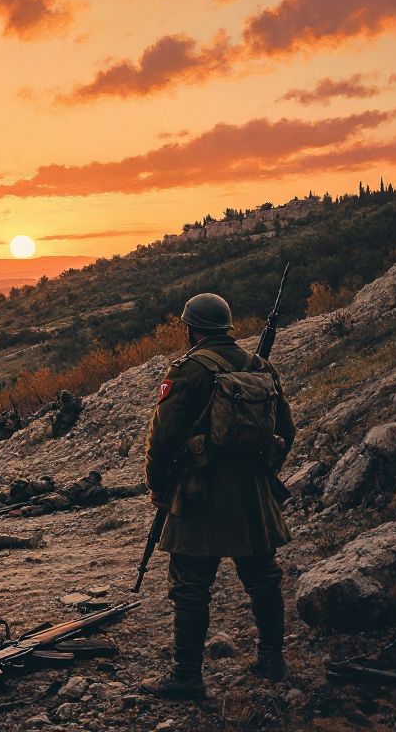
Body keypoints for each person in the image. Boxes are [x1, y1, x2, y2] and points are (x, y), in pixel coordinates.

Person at [140, 293, 295, 700]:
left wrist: (159, 491)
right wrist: (261, 474)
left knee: (191, 585)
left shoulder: (188, 371)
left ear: (191, 329)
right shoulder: (260, 367)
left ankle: (188, 677)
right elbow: (287, 433)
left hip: (199, 495)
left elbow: (161, 440)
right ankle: (273, 661)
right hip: (253, 495)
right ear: (227, 328)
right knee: (263, 579)